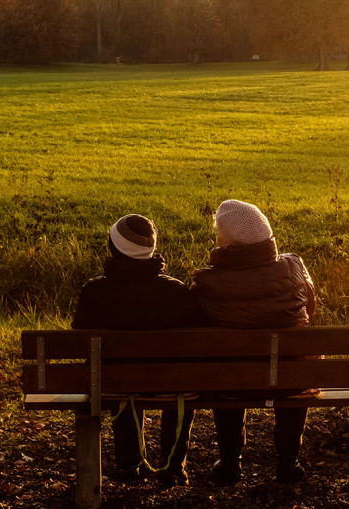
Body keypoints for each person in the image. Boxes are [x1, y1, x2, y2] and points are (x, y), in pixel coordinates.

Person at [191, 199, 318, 486]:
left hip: (234, 381)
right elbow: (309, 309)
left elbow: (199, 325)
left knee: (228, 369)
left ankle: (229, 462)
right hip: (292, 379)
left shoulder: (207, 281)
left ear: (226, 241)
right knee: (295, 365)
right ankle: (289, 462)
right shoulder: (294, 265)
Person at [72, 214, 204, 487]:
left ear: (113, 248)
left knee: (119, 378)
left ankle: (128, 465)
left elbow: (78, 333)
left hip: (110, 382)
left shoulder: (94, 291)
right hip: (171, 383)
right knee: (180, 381)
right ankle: (173, 466)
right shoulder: (175, 291)